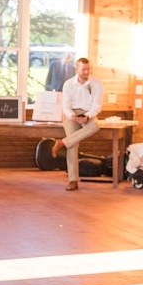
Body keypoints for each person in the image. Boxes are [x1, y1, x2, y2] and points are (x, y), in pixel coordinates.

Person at [51, 57, 103, 191]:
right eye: (83, 69)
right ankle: (73, 180)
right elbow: (65, 106)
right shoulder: (68, 84)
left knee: (95, 126)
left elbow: (97, 106)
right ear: (76, 69)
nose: (86, 72)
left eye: (88, 69)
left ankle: (62, 143)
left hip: (88, 113)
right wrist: (71, 115)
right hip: (72, 114)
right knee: (73, 145)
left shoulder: (96, 83)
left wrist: (87, 116)